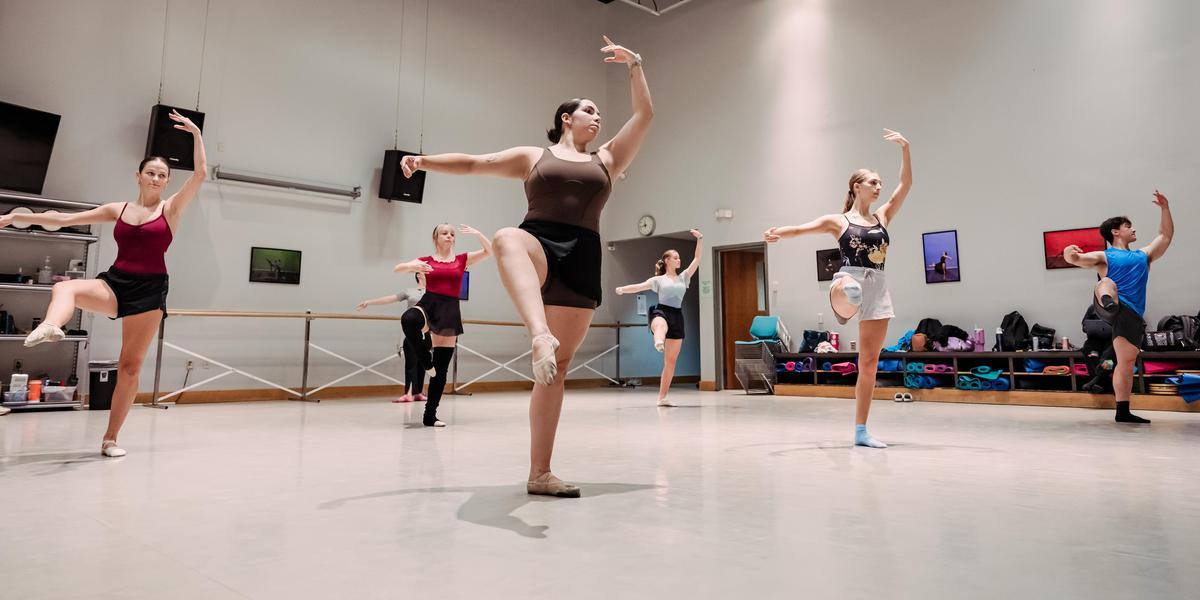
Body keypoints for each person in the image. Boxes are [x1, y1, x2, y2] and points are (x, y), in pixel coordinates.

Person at [397, 35, 653, 496]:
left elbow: (645, 116)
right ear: (565, 118)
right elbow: (476, 164)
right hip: (538, 244)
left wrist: (634, 64)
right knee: (506, 238)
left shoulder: (608, 159)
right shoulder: (535, 157)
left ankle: (540, 473)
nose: (598, 118)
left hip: (584, 256)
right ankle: (538, 333)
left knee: (558, 367)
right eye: (590, 110)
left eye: (600, 114)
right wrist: (422, 160)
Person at [0, 110, 206, 457]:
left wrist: (196, 135)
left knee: (130, 366)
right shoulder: (118, 209)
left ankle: (110, 438)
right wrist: (16, 217)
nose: (155, 178)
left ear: (167, 181)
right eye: (150, 173)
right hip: (116, 283)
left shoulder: (170, 210)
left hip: (150, 290)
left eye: (162, 175)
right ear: (138, 176)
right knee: (65, 288)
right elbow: (62, 219)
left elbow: (200, 174)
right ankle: (51, 326)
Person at [764, 129, 911, 448]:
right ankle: (847, 292)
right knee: (848, 287)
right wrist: (778, 232)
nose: (879, 187)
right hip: (848, 278)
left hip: (878, 287)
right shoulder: (839, 221)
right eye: (873, 182)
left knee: (869, 362)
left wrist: (905, 149)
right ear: (856, 187)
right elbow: (803, 229)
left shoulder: (883, 216)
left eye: (880, 183)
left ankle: (861, 431)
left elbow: (905, 186)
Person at [1063, 191, 1173, 424]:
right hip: (1109, 305)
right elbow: (1076, 260)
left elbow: (1164, 236)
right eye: (1128, 226)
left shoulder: (1143, 256)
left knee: (1126, 361)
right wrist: (1068, 253)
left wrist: (1165, 208)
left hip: (1131, 315)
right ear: (1115, 231)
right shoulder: (1105, 255)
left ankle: (1122, 411)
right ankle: (1108, 300)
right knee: (1106, 282)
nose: (1133, 230)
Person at [392, 224, 492, 426]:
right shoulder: (426, 260)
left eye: (452, 234)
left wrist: (478, 234)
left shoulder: (462, 259)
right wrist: (413, 267)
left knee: (441, 369)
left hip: (449, 310)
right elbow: (398, 268)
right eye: (445, 233)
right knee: (409, 319)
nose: (449, 236)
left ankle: (430, 416)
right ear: (435, 238)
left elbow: (490, 251)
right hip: (429, 304)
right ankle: (425, 360)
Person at [615, 229, 702, 407]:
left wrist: (700, 239)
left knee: (670, 362)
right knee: (661, 326)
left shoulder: (684, 278)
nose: (679, 260)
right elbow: (639, 287)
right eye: (675, 257)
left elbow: (697, 259)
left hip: (677, 316)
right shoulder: (659, 280)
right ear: (667, 261)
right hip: (660, 311)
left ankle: (662, 398)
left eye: (679, 258)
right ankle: (659, 341)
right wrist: (623, 289)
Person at [356, 273, 429, 403]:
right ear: (418, 275)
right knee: (411, 361)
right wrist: (370, 302)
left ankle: (418, 393)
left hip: (427, 331)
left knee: (422, 362)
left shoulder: (433, 291)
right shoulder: (409, 291)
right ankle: (408, 393)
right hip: (412, 329)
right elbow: (391, 298)